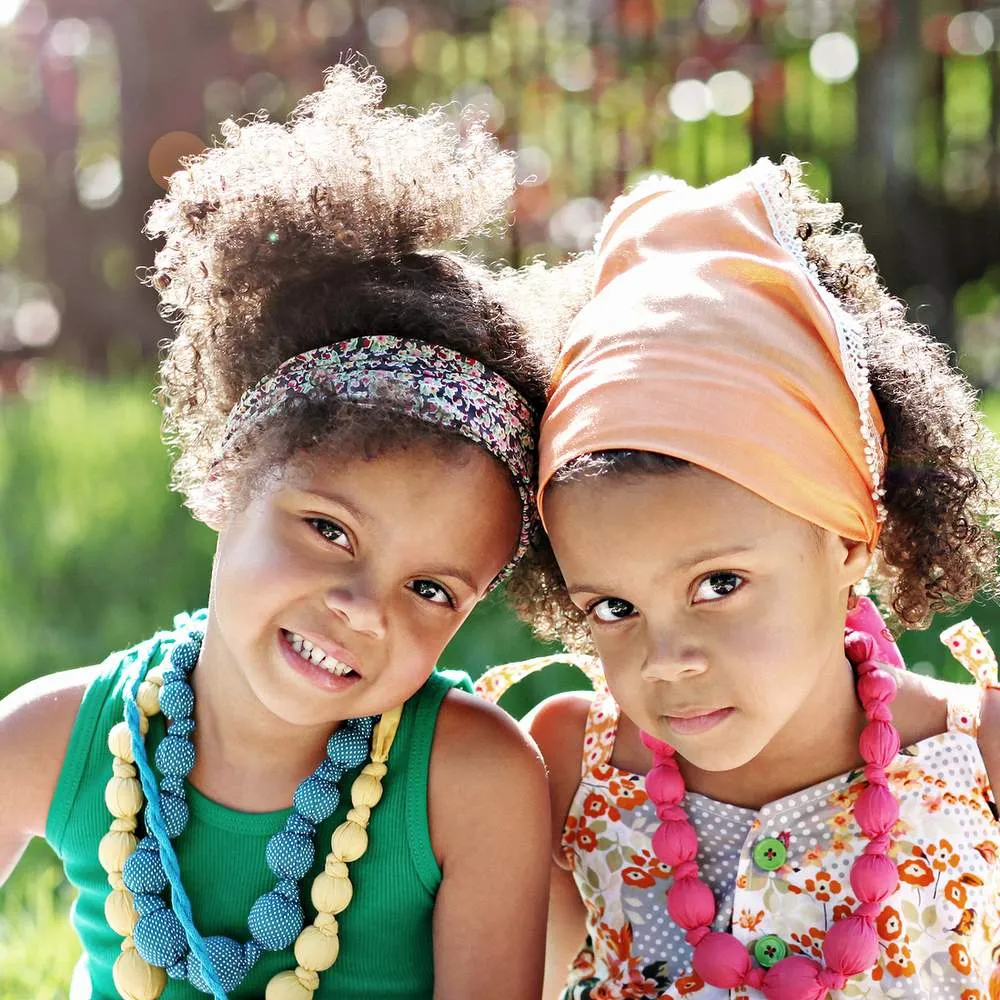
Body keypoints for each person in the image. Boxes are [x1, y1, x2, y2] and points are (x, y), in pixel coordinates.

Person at [0, 64, 556, 1000]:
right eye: (330, 530)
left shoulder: (473, 784)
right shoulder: (66, 738)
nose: (361, 610)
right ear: (227, 480)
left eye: (431, 590)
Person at [494, 159, 1000, 998]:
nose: (667, 659)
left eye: (719, 584)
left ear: (846, 541)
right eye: (614, 606)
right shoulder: (572, 768)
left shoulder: (978, 757)